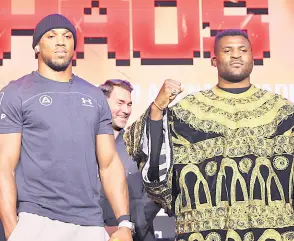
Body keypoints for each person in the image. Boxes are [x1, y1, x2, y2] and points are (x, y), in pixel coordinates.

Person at [124, 29, 294, 240]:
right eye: (227, 50)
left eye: (243, 50)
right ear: (214, 60)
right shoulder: (187, 111)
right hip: (204, 231)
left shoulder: (282, 111)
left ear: (252, 57)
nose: (236, 55)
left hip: (273, 231)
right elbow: (140, 146)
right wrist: (158, 106)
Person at [0, 14, 133, 241]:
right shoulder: (16, 93)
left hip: (90, 223)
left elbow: (109, 164)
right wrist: (13, 230)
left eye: (67, 36)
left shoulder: (94, 96)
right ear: (36, 47)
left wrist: (124, 224)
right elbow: (4, 166)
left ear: (74, 46)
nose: (61, 41)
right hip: (37, 219)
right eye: (51, 36)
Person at [99, 79, 161, 241]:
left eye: (129, 104)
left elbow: (156, 190)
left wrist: (129, 226)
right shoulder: (84, 145)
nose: (126, 110)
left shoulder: (139, 146)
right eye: (120, 103)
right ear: (101, 102)